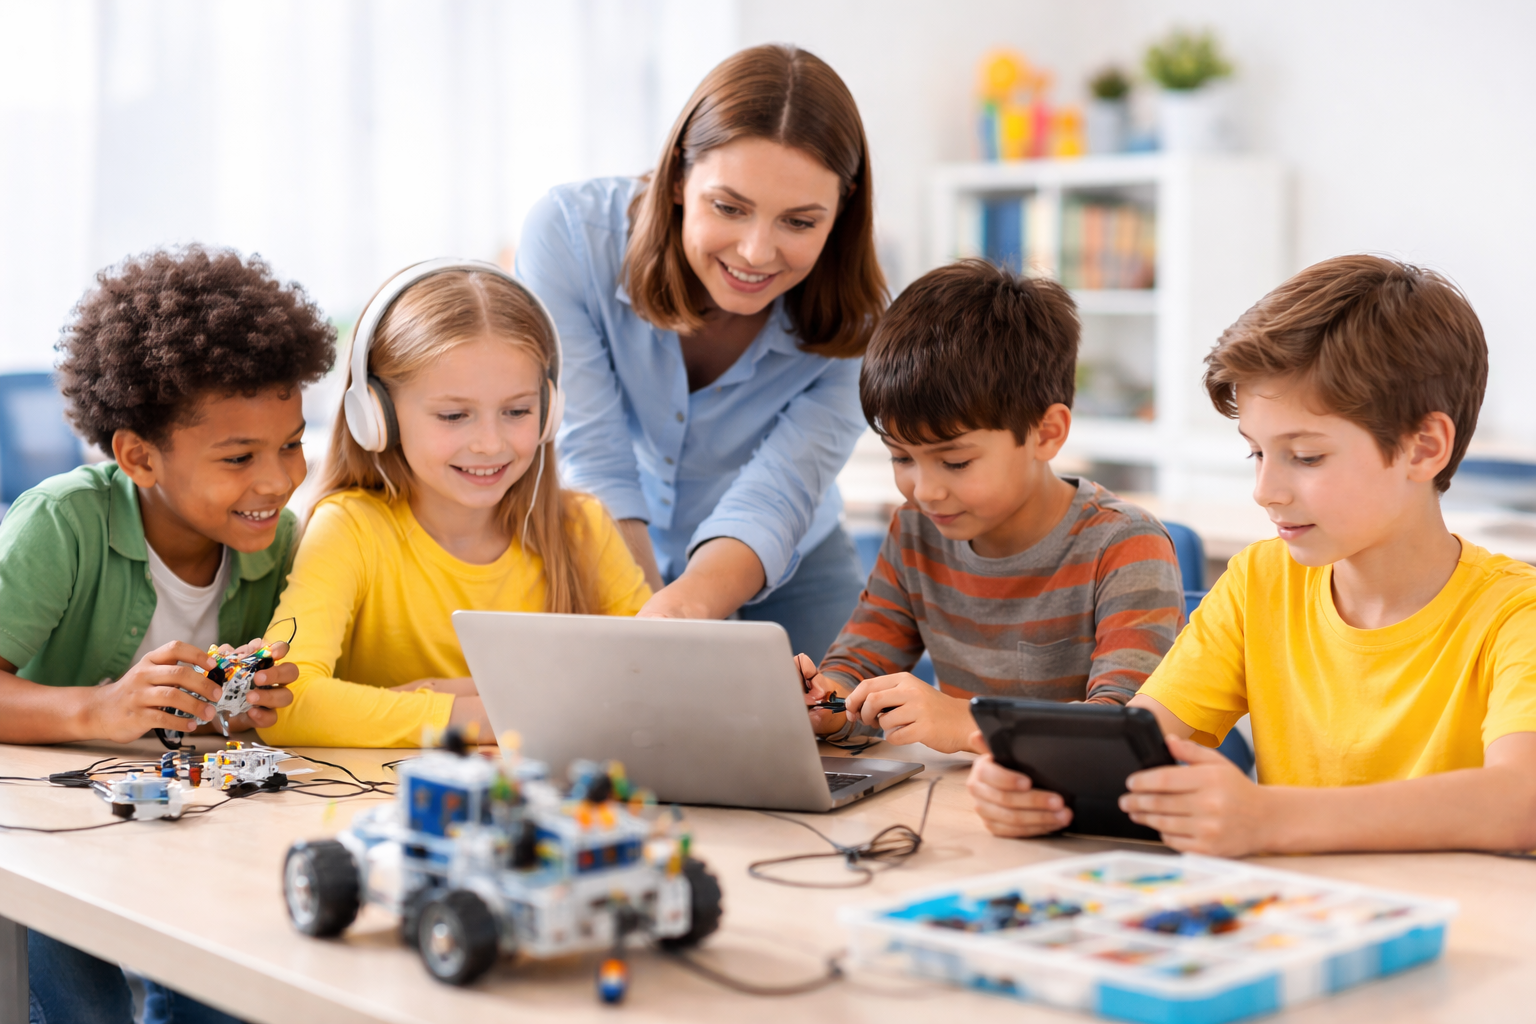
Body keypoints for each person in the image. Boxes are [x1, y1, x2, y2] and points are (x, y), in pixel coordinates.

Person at [969, 255, 1536, 855]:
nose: (1266, 490)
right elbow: (1138, 739)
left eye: (1307, 456)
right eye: (1256, 454)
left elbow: (1522, 801)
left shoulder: (1513, 615)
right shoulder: (1260, 581)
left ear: (1424, 448)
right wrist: (1035, 780)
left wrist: (1269, 817)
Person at [0, 246, 332, 1023]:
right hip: (56, 821)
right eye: (239, 457)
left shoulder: (278, 540)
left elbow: (225, 710)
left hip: (192, 816)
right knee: (77, 987)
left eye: (290, 443)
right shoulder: (61, 523)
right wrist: (99, 711)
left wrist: (245, 706)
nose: (279, 480)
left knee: (227, 978)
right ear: (139, 456)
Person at [515, 44, 888, 662]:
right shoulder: (570, 237)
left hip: (788, 554)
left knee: (843, 730)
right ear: (682, 174)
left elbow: (780, 491)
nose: (755, 252)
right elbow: (593, 453)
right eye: (729, 207)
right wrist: (651, 614)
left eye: (799, 222)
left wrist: (682, 609)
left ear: (842, 206)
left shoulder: (867, 324)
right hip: (605, 534)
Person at [256, 262, 651, 749]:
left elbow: (656, 687)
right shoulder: (350, 528)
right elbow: (287, 701)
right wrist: (501, 715)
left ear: (549, 410)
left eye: (517, 411)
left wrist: (464, 696)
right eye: (454, 415)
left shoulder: (580, 526)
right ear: (378, 415)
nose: (489, 443)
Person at [801, 259, 1185, 753]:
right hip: (971, 806)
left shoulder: (1126, 546)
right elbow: (860, 669)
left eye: (955, 462)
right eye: (901, 457)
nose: (925, 490)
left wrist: (966, 723)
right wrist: (826, 705)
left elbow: (1125, 730)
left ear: (1046, 434)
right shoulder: (917, 530)